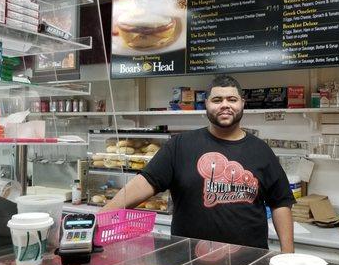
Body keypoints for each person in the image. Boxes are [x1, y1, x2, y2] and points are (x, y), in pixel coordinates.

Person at [101, 74, 295, 252]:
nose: (225, 105)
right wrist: (101, 217)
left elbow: (281, 203)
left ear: (242, 104)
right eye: (217, 100)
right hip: (188, 263)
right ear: (206, 104)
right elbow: (145, 182)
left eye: (232, 100)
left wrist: (289, 256)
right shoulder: (180, 145)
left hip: (248, 262)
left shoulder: (261, 151)